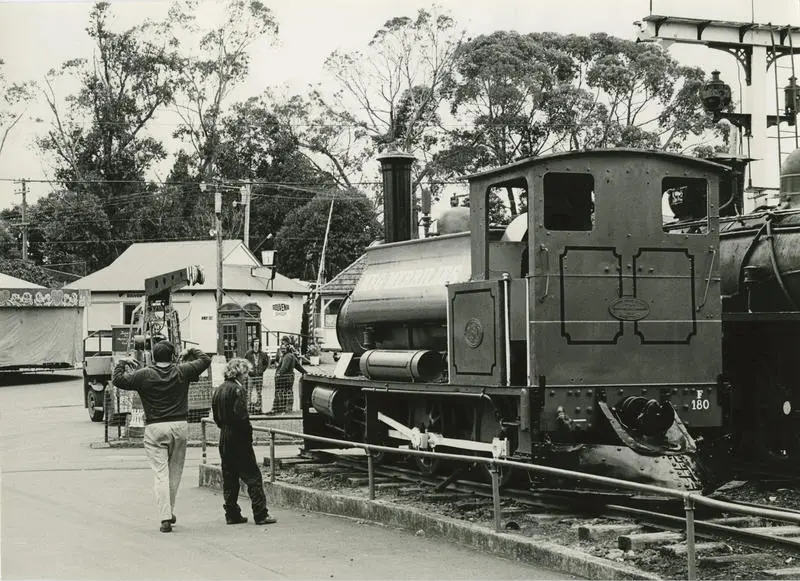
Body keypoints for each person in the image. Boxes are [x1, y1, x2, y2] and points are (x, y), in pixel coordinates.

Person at [112, 341, 211, 533]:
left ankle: (165, 516)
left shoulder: (144, 375)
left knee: (160, 473)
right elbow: (205, 360)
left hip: (155, 427)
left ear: (153, 358)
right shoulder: (182, 371)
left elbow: (118, 380)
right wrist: (191, 350)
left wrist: (123, 362)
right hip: (180, 425)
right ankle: (169, 511)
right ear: (173, 356)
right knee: (175, 473)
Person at [211, 357, 277, 526]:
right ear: (239, 373)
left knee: (229, 476)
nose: (247, 375)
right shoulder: (238, 391)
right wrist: (248, 434)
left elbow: (217, 417)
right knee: (253, 475)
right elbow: (242, 417)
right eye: (246, 372)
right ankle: (260, 513)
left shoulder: (218, 390)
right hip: (238, 437)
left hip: (224, 436)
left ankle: (232, 513)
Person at [271, 341, 307, 414]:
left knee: (282, 393)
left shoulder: (287, 356)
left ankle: (281, 409)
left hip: (284, 379)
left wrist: (278, 374)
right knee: (288, 393)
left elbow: (284, 368)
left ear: (287, 348)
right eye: (282, 348)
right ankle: (288, 409)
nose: (282, 350)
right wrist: (305, 372)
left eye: (284, 348)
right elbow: (298, 366)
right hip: (289, 378)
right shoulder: (291, 356)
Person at [244, 339, 269, 413]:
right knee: (249, 392)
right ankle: (248, 408)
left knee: (259, 392)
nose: (256, 345)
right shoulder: (248, 354)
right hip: (251, 376)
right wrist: (248, 371)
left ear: (259, 345)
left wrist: (262, 370)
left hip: (259, 376)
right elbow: (244, 363)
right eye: (255, 343)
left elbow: (266, 363)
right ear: (252, 344)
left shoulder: (263, 354)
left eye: (257, 344)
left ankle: (259, 408)